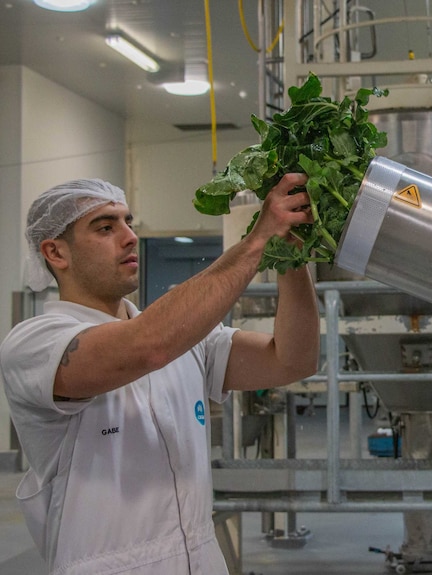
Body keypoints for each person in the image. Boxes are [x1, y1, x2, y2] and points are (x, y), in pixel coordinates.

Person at [0, 175, 321, 574]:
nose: (130, 236)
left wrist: (291, 258)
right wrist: (255, 241)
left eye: (128, 222)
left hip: (201, 560)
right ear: (56, 253)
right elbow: (147, 346)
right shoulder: (36, 344)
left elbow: (294, 360)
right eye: (105, 227)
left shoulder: (190, 341)